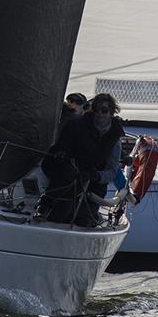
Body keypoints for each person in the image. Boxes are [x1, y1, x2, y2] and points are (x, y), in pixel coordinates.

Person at [35, 93, 124, 226]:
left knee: (84, 220)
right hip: (69, 175)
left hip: (94, 183)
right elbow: (62, 147)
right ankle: (45, 205)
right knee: (60, 211)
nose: (99, 113)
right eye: (96, 110)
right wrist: (62, 154)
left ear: (111, 112)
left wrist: (97, 176)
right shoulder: (77, 126)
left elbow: (112, 170)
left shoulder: (115, 139)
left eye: (104, 110)